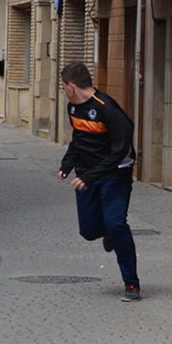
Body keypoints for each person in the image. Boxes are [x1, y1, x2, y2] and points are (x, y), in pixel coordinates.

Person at [58, 62, 141, 302]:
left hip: (115, 175)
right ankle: (107, 233)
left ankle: (131, 284)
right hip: (87, 176)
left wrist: (90, 176)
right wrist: (67, 165)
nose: (64, 91)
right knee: (88, 230)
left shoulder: (108, 109)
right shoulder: (73, 109)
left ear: (72, 86)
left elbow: (120, 150)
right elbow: (78, 140)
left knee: (117, 224)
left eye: (64, 87)